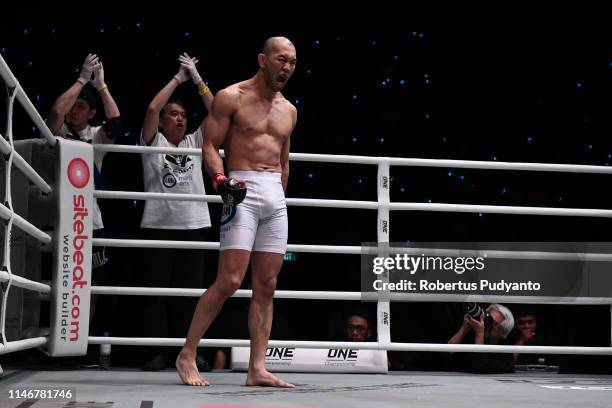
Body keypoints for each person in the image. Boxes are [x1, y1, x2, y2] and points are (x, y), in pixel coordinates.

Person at [176, 36, 297, 387]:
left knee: (267, 284)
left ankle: (256, 368)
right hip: (240, 187)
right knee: (229, 280)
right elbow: (210, 145)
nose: (287, 67)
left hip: (275, 195)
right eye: (281, 59)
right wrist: (219, 179)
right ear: (263, 59)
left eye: (292, 62)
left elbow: (284, 161)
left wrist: (279, 199)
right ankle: (186, 354)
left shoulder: (289, 110)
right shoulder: (231, 97)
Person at [139, 53, 214, 371]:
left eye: (183, 114)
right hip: (158, 225)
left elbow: (217, 110)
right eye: (174, 114)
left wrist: (197, 79)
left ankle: (191, 353)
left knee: (192, 296)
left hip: (194, 226)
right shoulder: (152, 141)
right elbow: (152, 108)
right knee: (157, 295)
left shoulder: (195, 141)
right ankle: (158, 353)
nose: (180, 119)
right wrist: (178, 79)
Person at [47, 53, 121, 335]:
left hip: (90, 221)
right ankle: (57, 340)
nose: (74, 111)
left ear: (91, 113)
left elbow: (116, 124)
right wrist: (81, 79)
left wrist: (101, 86)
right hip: (58, 217)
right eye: (73, 106)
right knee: (57, 281)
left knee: (90, 283)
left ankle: (82, 342)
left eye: (81, 107)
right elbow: (55, 113)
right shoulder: (56, 131)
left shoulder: (97, 134)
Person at [447, 303, 515, 373]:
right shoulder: (471, 335)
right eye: (487, 316)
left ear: (503, 332)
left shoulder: (506, 352)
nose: (485, 322)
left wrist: (479, 334)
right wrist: (464, 329)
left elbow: (479, 367)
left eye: (491, 322)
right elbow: (448, 352)